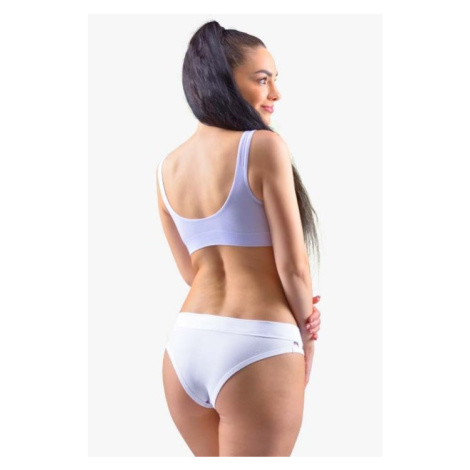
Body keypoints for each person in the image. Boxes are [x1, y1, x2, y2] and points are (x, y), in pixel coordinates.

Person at [156, 20, 322, 457]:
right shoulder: (263, 147)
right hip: (258, 344)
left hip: (186, 345)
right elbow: (294, 268)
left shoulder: (167, 168)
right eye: (262, 80)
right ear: (224, 81)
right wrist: (307, 333)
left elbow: (191, 273)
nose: (275, 93)